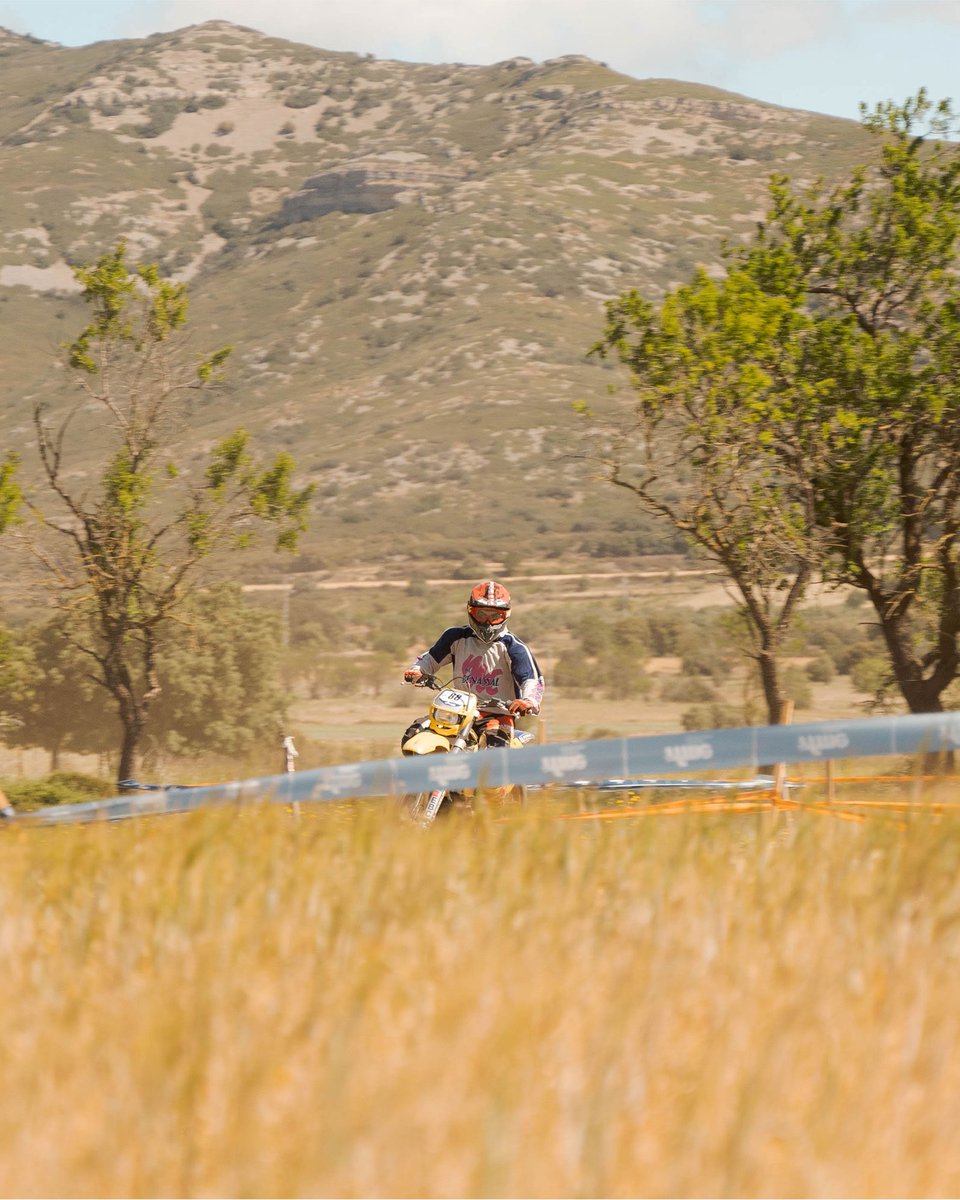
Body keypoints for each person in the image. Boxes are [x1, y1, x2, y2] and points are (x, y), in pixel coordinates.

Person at [401, 581, 544, 747]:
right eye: (482, 614)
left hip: (498, 715)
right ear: (471, 611)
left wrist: (528, 701)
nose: (488, 622)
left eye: (495, 616)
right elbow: (430, 658)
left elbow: (532, 680)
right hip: (457, 712)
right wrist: (417, 671)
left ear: (505, 615)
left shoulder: (513, 647)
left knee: (495, 748)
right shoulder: (456, 637)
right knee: (414, 733)